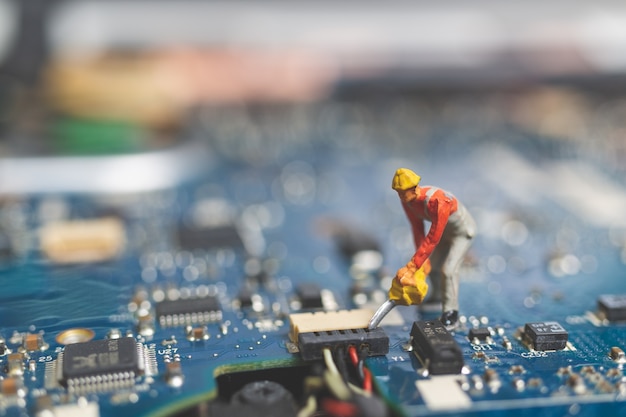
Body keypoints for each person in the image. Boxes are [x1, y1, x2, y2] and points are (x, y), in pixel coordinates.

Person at [391, 168, 476, 328]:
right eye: (399, 192)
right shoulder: (407, 203)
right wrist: (422, 263)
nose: (401, 196)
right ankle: (437, 296)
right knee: (433, 267)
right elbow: (417, 229)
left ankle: (452, 313)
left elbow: (433, 237)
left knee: (449, 270)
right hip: (444, 232)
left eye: (404, 192)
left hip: (461, 233)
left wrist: (413, 265)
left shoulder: (438, 201)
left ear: (415, 188)